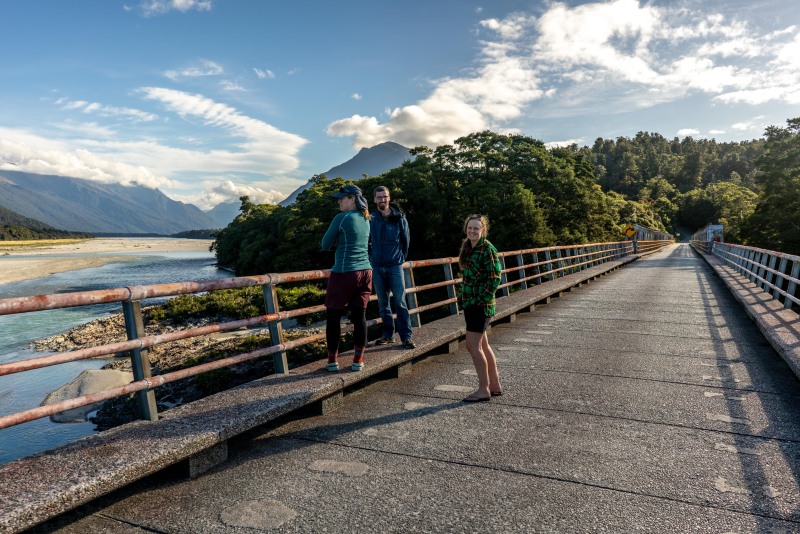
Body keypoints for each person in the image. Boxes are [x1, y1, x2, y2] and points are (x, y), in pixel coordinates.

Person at [321, 184, 372, 372]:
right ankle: (358, 361)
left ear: (352, 198)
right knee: (360, 317)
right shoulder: (367, 218)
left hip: (344, 272)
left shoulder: (341, 218)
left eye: (342, 198)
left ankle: (332, 361)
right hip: (366, 272)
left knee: (333, 317)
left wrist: (337, 240)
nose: (339, 201)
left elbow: (325, 244)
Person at [457, 214, 503, 402]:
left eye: (476, 228)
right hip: (471, 303)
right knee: (483, 345)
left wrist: (479, 300)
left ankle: (483, 389)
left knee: (472, 346)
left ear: (483, 230)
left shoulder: (487, 249)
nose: (472, 231)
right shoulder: (469, 247)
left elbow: (495, 278)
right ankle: (494, 385)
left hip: (479, 305)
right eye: (470, 227)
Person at [369, 186, 415, 349]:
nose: (382, 199)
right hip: (377, 265)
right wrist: (371, 259)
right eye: (379, 197)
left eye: (385, 196)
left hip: (395, 265)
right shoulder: (371, 218)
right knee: (383, 303)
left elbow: (405, 240)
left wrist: (400, 258)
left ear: (389, 198)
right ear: (375, 199)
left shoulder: (399, 217)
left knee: (400, 301)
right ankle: (388, 335)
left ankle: (406, 336)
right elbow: (368, 241)